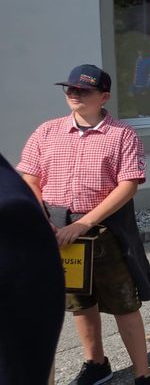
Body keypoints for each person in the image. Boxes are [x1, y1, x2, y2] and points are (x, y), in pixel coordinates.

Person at [17, 64, 150, 384]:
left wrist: (83, 224)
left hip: (104, 230)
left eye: (83, 90)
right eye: (70, 89)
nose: (74, 94)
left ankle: (143, 374)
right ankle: (96, 364)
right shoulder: (46, 131)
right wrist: (44, 221)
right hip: (56, 230)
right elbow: (29, 178)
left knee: (124, 302)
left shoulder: (123, 135)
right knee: (80, 302)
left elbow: (128, 185)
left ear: (103, 96)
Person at [0, 154, 65, 385]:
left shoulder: (10, 204)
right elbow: (31, 179)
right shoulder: (47, 132)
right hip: (52, 223)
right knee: (81, 307)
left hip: (93, 229)